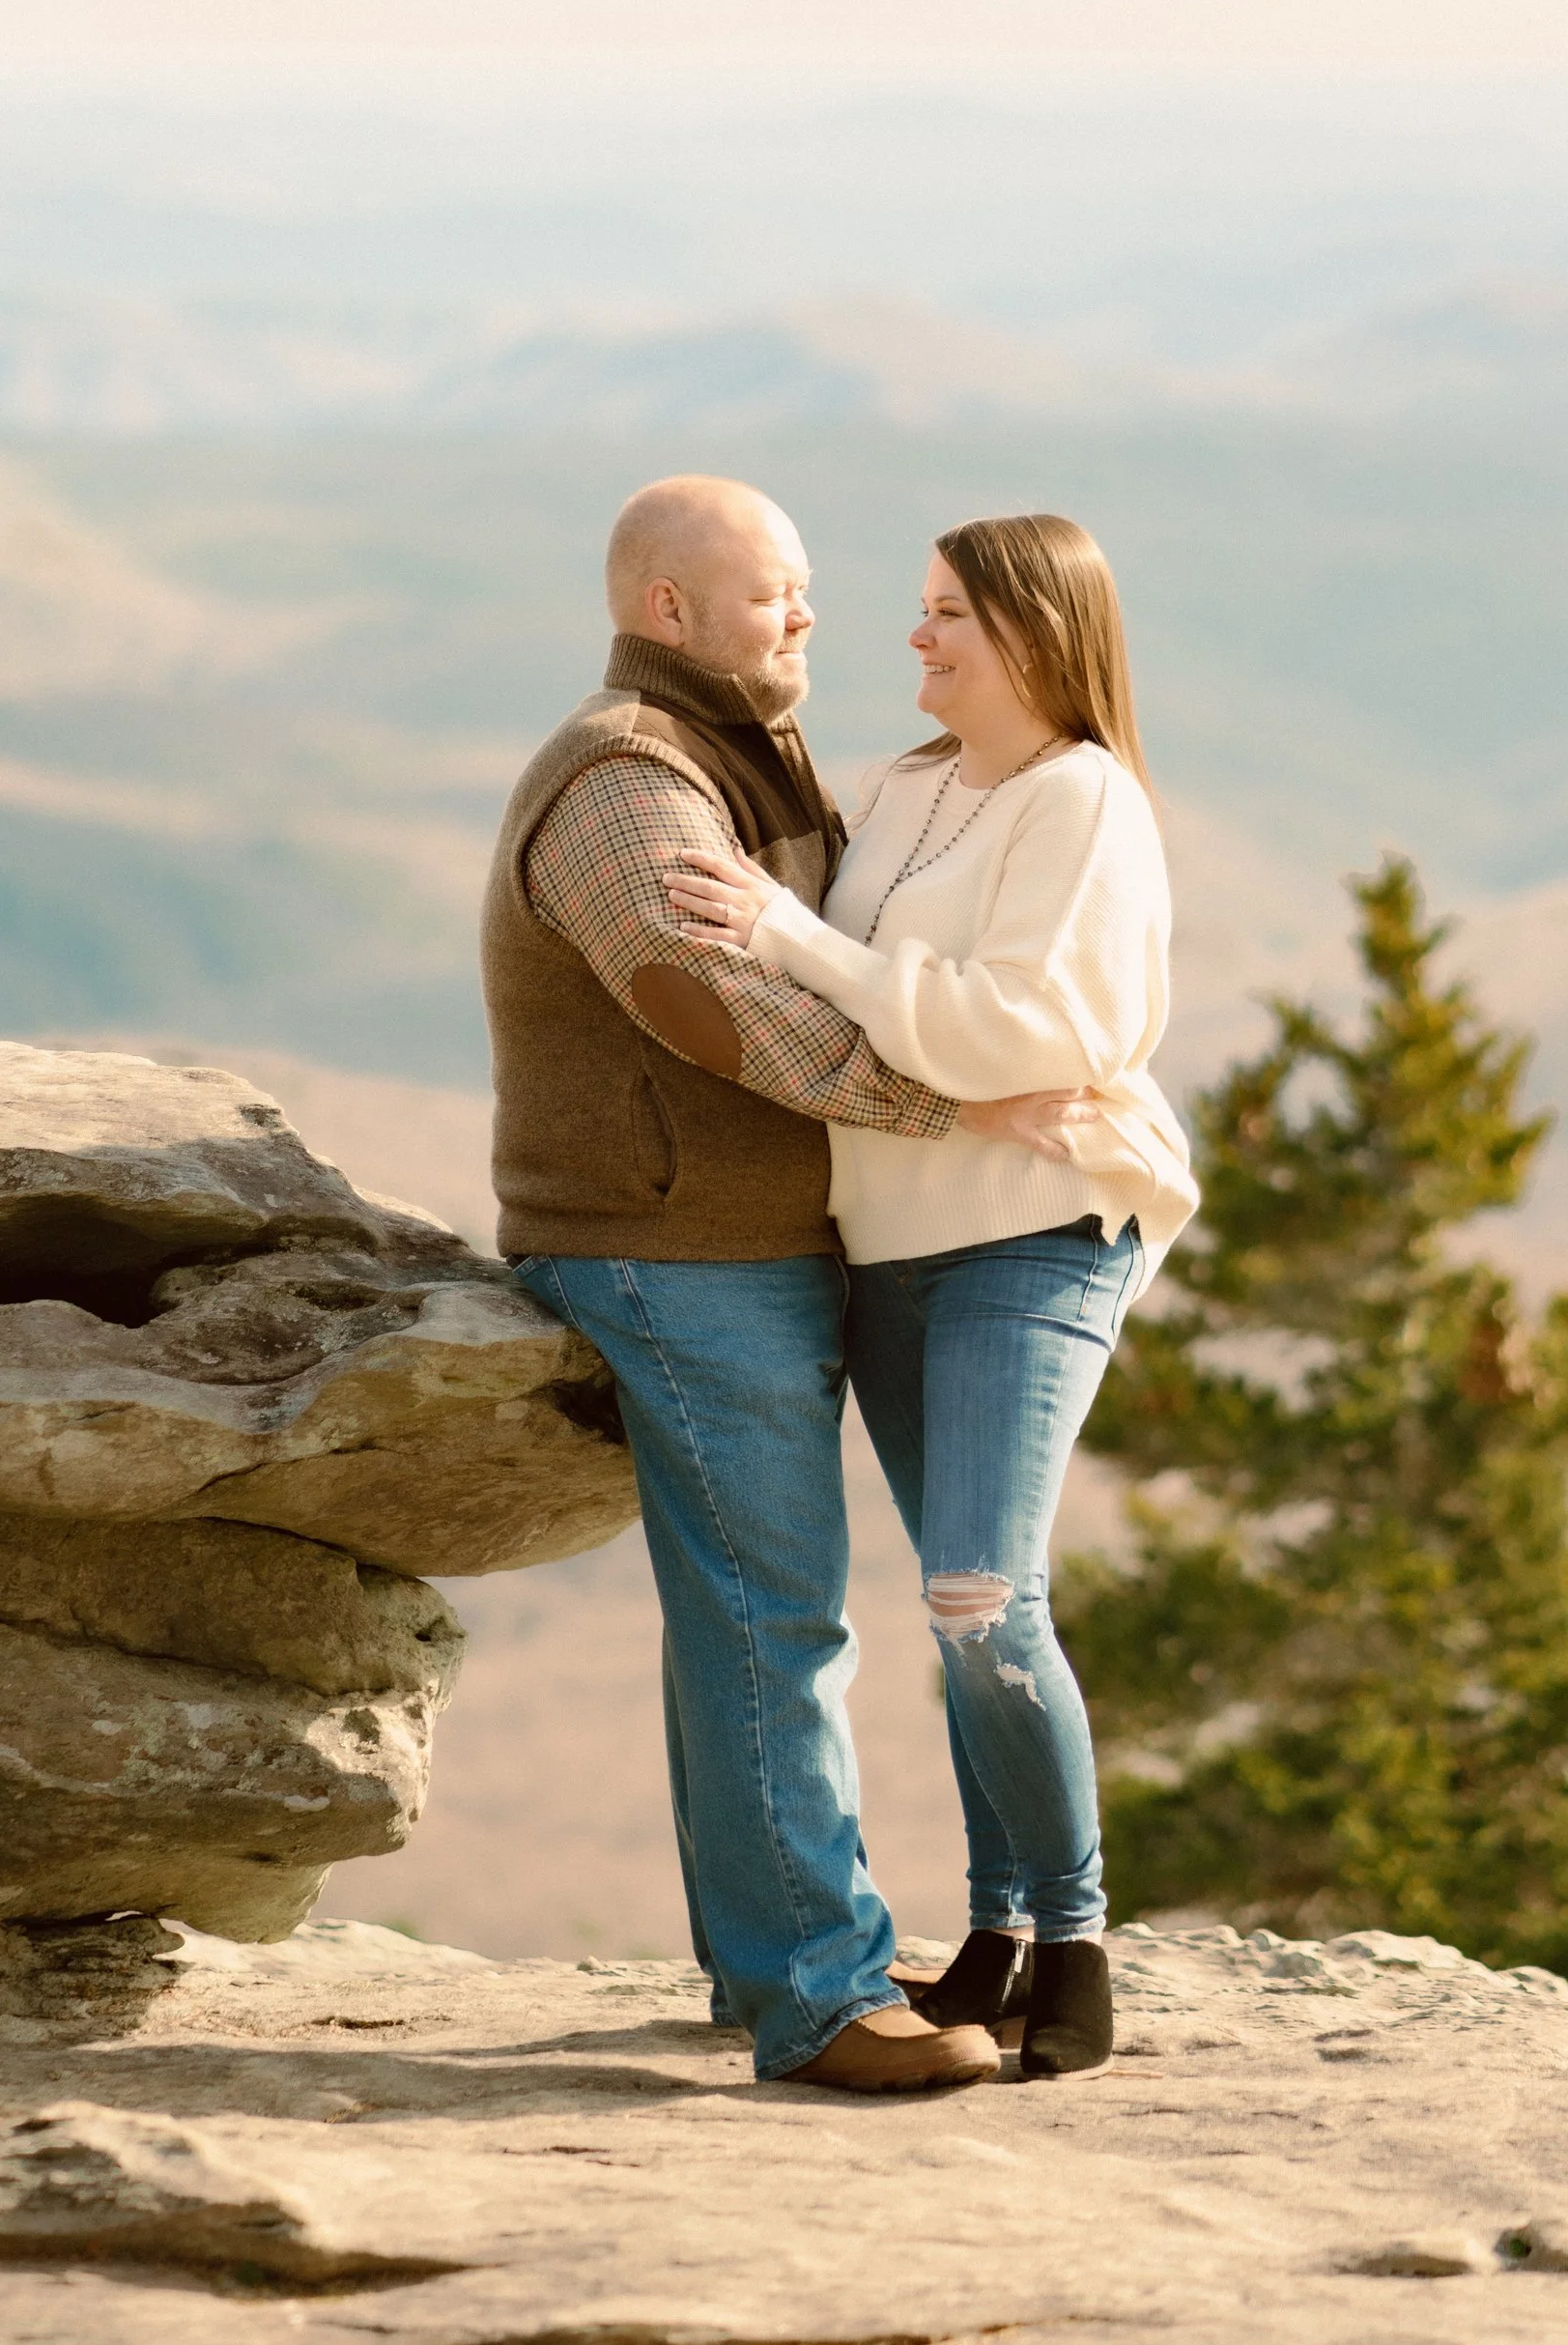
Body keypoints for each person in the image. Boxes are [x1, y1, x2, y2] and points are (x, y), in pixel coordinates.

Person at [481, 474, 1085, 2096]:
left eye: (811, 590)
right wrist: (957, 1106)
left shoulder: (746, 759)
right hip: (666, 1251)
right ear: (667, 611)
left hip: (746, 1249)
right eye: (775, 596)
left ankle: (767, 1957)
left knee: (745, 1620)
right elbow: (715, 1007)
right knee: (777, 1619)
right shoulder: (626, 783)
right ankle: (815, 2003)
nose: (811, 619)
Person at [666, 512, 1196, 2083]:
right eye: (919, 612)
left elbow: (1020, 1032)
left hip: (1039, 1227)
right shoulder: (896, 791)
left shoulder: (1085, 802)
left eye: (950, 613)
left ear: (1037, 632)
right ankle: (999, 1933)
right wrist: (831, 974)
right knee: (961, 1615)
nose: (915, 640)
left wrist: (800, 939)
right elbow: (919, 1033)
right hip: (885, 1238)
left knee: (982, 1595)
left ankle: (1080, 1937)